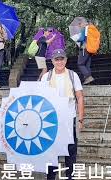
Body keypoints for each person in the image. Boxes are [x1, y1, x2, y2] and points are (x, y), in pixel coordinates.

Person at [41, 49, 84, 180]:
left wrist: (81, 118)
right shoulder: (46, 77)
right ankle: (51, 176)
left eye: (62, 59)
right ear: (52, 61)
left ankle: (70, 176)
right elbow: (41, 98)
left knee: (70, 149)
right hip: (51, 120)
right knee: (51, 150)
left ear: (66, 60)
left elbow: (80, 97)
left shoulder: (72, 75)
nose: (59, 61)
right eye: (56, 59)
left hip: (69, 118)